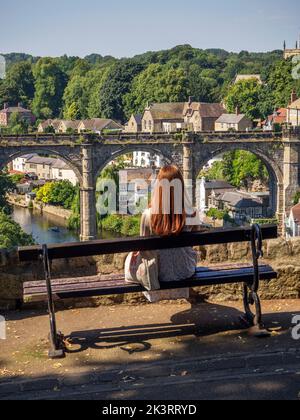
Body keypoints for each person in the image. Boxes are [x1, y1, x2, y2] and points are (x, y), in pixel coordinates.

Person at [139, 165, 205, 301]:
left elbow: (143, 248)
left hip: (158, 273)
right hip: (186, 270)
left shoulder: (148, 215)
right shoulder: (192, 213)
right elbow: (194, 243)